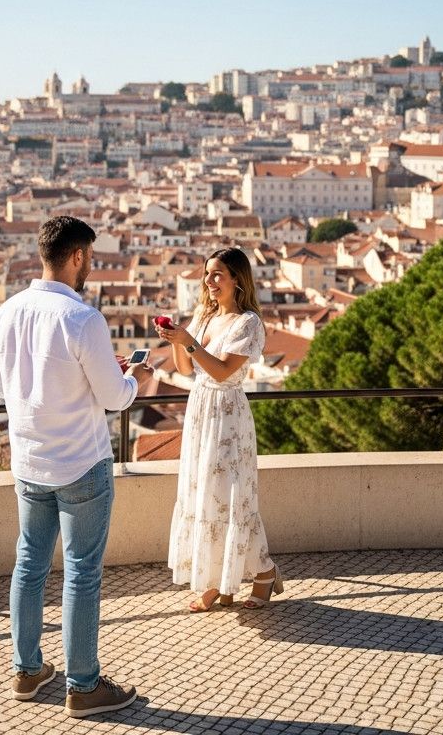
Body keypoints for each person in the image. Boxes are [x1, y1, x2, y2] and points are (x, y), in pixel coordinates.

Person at [0, 215, 141, 718]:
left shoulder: (6, 312)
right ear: (77, 257)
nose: (90, 268)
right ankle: (83, 685)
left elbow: (3, 384)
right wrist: (132, 376)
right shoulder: (83, 320)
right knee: (81, 573)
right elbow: (115, 399)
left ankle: (27, 671)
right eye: (90, 259)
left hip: (29, 461)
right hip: (80, 464)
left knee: (29, 564)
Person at [155, 246, 283, 612]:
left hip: (227, 414)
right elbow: (184, 368)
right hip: (201, 409)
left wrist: (189, 342)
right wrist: (178, 340)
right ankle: (219, 582)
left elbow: (224, 371)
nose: (209, 281)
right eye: (207, 274)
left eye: (217, 275)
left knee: (231, 496)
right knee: (204, 494)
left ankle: (263, 573)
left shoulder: (248, 323)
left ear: (237, 280)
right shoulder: (204, 316)